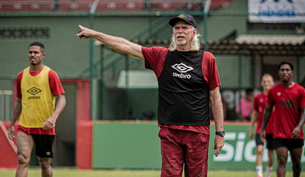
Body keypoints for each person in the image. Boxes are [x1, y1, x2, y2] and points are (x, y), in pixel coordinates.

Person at [76, 13, 225, 177]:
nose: (180, 31)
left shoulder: (207, 59)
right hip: (170, 131)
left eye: (184, 28)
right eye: (176, 28)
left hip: (198, 131)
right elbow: (126, 46)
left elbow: (215, 97)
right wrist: (96, 34)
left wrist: (220, 132)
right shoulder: (161, 56)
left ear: (194, 32)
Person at [7, 42, 66, 177]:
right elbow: (19, 102)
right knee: (22, 160)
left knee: (44, 163)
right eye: (30, 52)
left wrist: (53, 117)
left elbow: (62, 99)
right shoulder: (21, 76)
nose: (32, 55)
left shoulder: (50, 74)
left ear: (43, 55)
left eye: (36, 52)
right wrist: (12, 124)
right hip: (25, 126)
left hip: (44, 127)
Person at [261, 61, 305, 177]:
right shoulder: (273, 91)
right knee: (281, 160)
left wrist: (299, 126)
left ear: (292, 73)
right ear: (278, 73)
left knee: (296, 162)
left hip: (296, 133)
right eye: (282, 70)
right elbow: (267, 110)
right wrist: (263, 129)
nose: (285, 72)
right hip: (279, 134)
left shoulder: (300, 90)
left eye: (287, 70)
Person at [249, 74, 275, 177]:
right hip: (260, 128)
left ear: (272, 83)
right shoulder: (257, 97)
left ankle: (268, 174)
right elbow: (254, 113)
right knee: (259, 150)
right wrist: (251, 128)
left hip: (273, 130)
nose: (266, 83)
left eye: (268, 81)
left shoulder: (276, 97)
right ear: (261, 83)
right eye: (264, 81)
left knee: (271, 154)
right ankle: (259, 174)